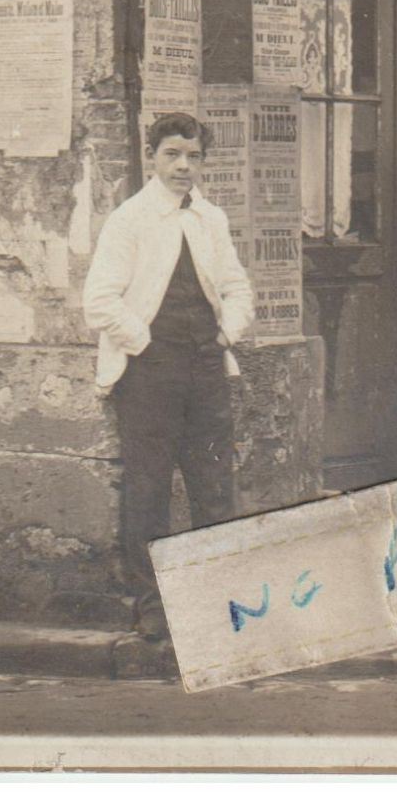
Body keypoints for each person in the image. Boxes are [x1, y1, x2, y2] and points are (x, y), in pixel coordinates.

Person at [82, 112, 253, 640]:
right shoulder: (130, 220)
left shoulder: (210, 219)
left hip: (204, 365)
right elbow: (99, 301)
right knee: (149, 488)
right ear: (151, 157)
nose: (183, 166)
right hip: (150, 372)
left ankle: (214, 600)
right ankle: (154, 605)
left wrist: (227, 333)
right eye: (172, 154)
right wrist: (145, 342)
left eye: (194, 155)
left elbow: (237, 287)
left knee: (213, 485)